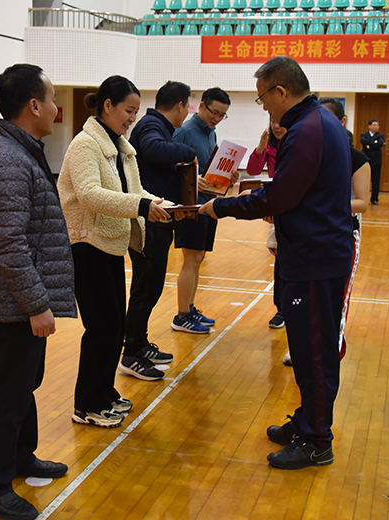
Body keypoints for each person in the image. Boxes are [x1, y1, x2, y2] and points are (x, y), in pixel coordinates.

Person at [200, 56, 354, 470]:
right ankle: (307, 422)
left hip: (316, 258)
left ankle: (317, 440)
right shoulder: (316, 122)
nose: (264, 106)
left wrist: (222, 207)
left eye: (263, 97)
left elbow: (280, 195)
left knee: (315, 353)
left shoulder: (308, 129)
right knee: (305, 350)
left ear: (281, 92)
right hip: (310, 253)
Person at [0, 64, 76, 520]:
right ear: (34, 105)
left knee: (23, 386)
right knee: (7, 395)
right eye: (52, 100)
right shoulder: (8, 160)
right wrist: (36, 304)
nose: (56, 109)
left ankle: (20, 458)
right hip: (13, 305)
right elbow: (9, 244)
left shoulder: (21, 152)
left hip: (18, 301)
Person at [58, 75, 177, 428]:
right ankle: (86, 405)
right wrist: (141, 206)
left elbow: (136, 191)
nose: (132, 118)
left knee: (114, 326)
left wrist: (168, 206)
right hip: (85, 245)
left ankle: (104, 393)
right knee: (101, 327)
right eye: (128, 110)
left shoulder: (122, 148)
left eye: (136, 111)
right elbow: (89, 194)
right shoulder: (85, 145)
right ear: (107, 106)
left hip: (110, 243)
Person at [278, 96, 370, 367]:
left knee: (336, 300)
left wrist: (323, 202)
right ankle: (301, 347)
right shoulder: (307, 151)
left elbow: (363, 203)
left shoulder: (356, 158)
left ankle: (331, 354)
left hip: (342, 235)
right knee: (306, 298)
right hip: (309, 234)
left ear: (341, 122)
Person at [123, 81, 197, 381]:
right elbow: (153, 149)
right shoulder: (152, 125)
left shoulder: (157, 126)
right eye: (187, 107)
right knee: (146, 288)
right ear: (179, 106)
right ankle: (131, 352)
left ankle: (139, 343)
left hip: (158, 220)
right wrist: (189, 151)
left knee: (150, 287)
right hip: (150, 222)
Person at [171, 88, 238, 334]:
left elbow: (210, 170)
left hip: (209, 204)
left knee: (198, 259)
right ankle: (181, 316)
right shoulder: (184, 132)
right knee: (191, 259)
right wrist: (191, 178)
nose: (217, 118)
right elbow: (170, 166)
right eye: (214, 112)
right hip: (191, 205)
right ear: (201, 106)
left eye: (222, 115)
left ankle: (189, 308)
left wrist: (228, 176)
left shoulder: (211, 134)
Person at [246, 116, 288, 328]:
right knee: (279, 258)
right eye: (273, 122)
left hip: (295, 205)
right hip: (276, 206)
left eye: (280, 122)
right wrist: (261, 147)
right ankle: (281, 309)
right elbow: (253, 170)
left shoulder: (298, 143)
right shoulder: (270, 146)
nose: (276, 126)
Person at [360, 119, 385, 205]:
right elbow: (363, 141)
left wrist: (369, 144)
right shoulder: (364, 135)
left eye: (377, 125)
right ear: (369, 126)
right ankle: (363, 198)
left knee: (375, 180)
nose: (376, 127)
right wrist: (374, 142)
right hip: (366, 159)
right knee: (363, 180)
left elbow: (380, 143)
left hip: (376, 160)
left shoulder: (380, 135)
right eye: (374, 125)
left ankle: (374, 199)